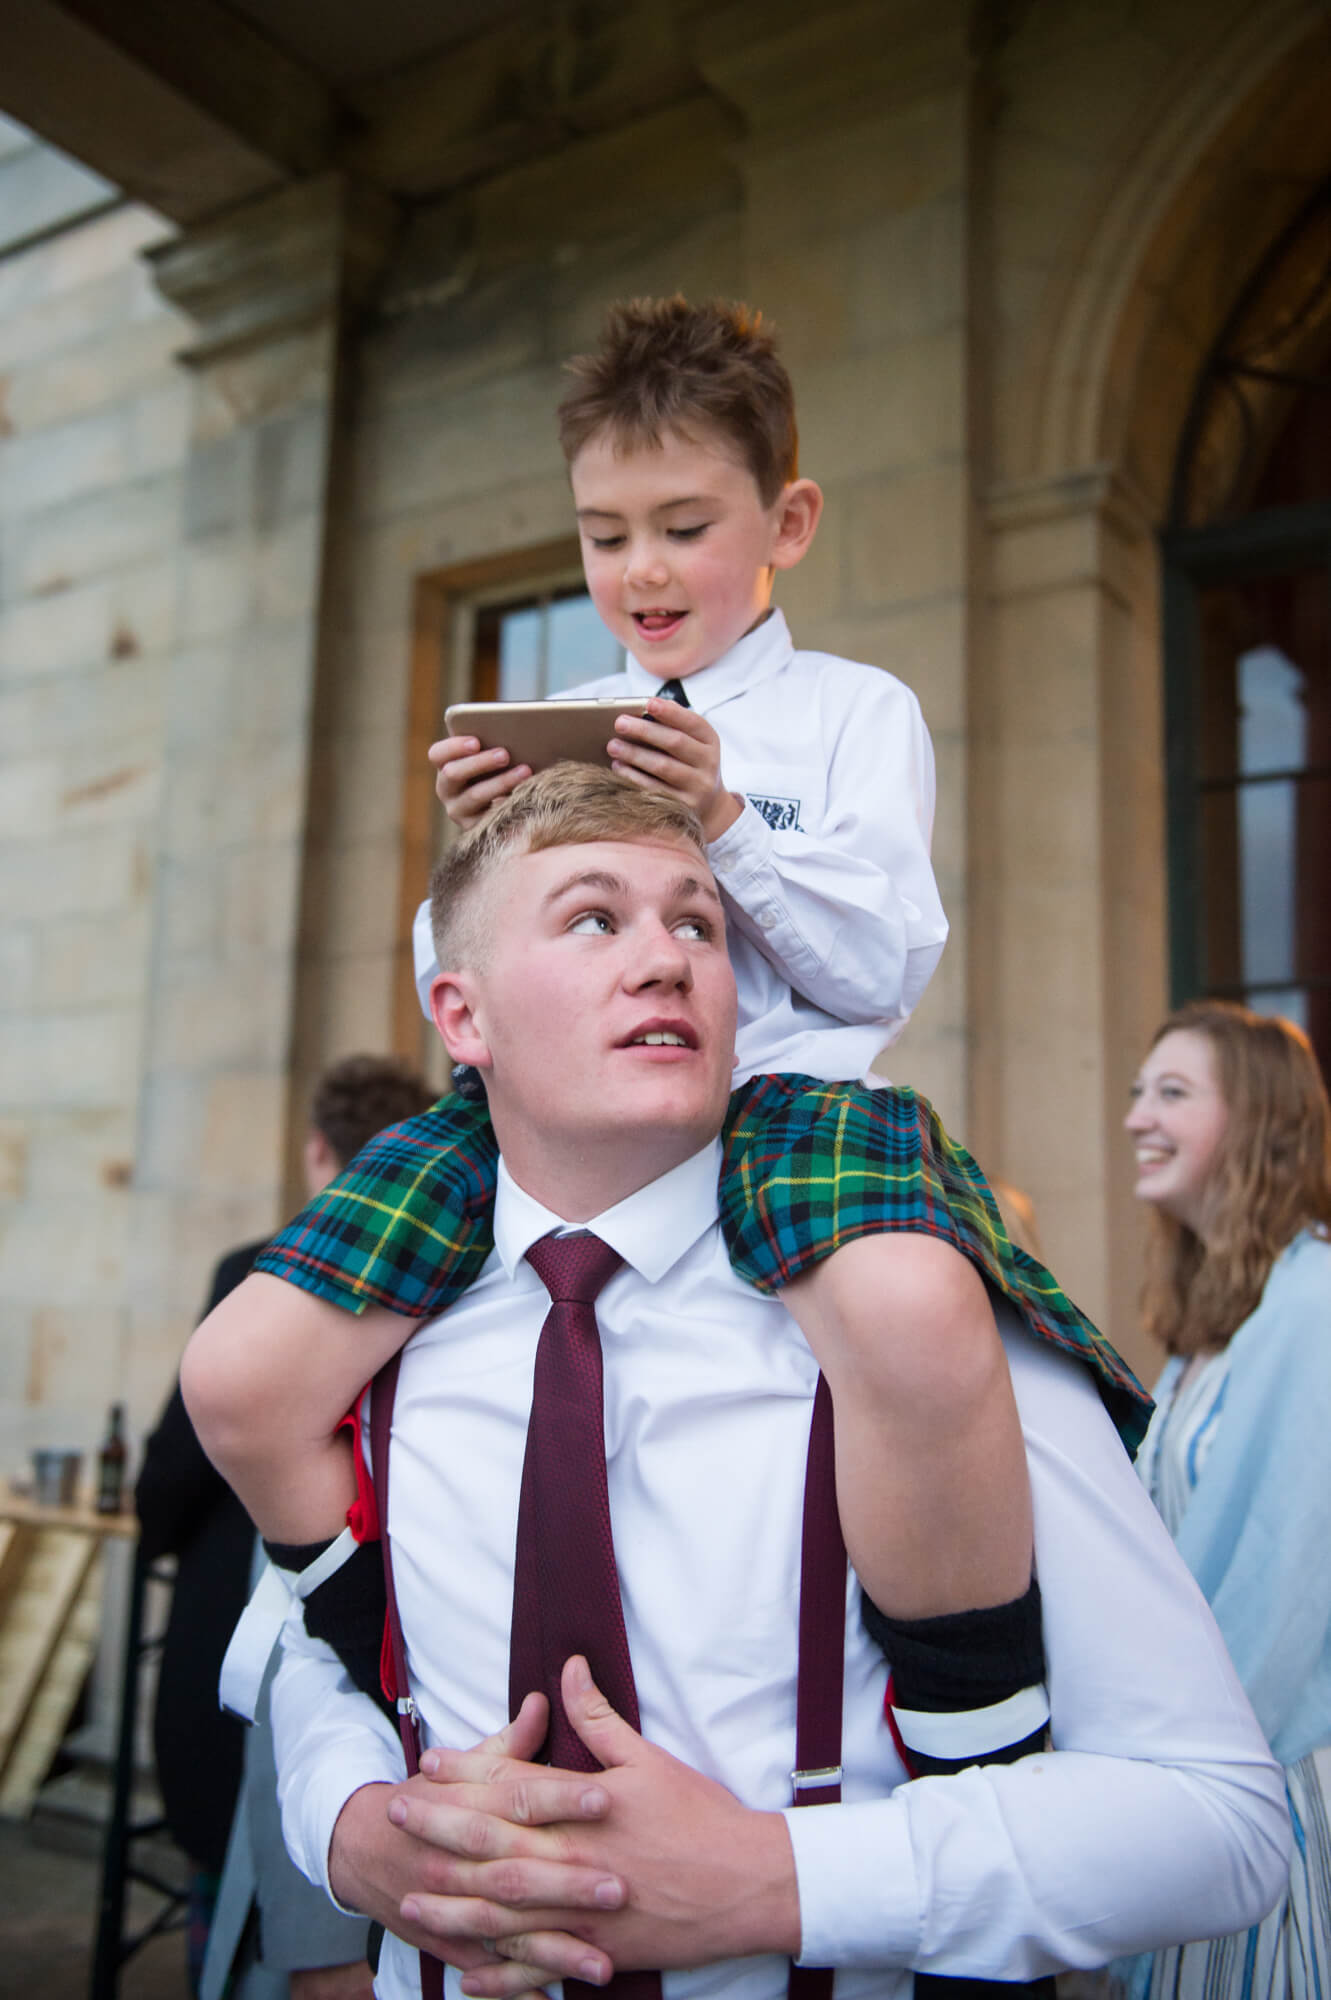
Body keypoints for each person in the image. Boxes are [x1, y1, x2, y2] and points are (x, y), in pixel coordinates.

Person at [185, 299, 1148, 1815]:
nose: (637, 572)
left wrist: (721, 822)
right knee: (236, 1370)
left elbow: (879, 962)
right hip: (532, 1114)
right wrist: (484, 850)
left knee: (910, 1309)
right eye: (602, 535)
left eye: (683, 527)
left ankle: (975, 1731)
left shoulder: (851, 714)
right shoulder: (563, 717)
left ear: (786, 522)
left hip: (784, 1102)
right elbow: (450, 974)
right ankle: (379, 1656)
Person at [248, 769, 1289, 2000]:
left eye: (698, 924)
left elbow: (1220, 1822)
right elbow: (304, 1651)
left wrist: (775, 1878)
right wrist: (353, 1827)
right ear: (460, 1015)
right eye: (594, 917)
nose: (666, 960)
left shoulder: (914, 1322)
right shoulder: (370, 1333)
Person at [138, 1053, 432, 1999]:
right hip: (384, 1648)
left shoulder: (263, 1274)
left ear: (318, 1150)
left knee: (246, 1919)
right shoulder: (450, 1276)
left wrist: (158, 1523)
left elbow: (169, 1481)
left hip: (267, 1630)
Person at [1119, 1000, 1331, 2000]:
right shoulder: (1217, 1317)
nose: (1135, 1116)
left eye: (1171, 1093)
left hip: (1264, 1778)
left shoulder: (1314, 1300)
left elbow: (1283, 1581)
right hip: (1197, 1769)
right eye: (1136, 1091)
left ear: (1255, 1122)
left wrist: (1182, 1772)